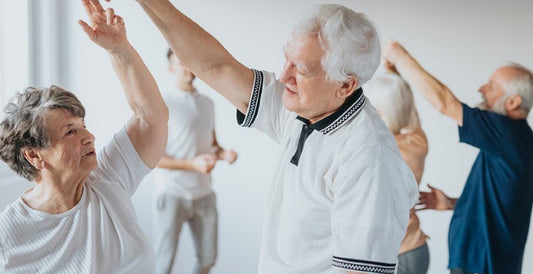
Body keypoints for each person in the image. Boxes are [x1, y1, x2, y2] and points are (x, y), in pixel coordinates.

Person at [107, 0, 419, 273]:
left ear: (345, 85)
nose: (284, 76)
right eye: (287, 59)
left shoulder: (369, 160)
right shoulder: (304, 107)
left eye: (302, 69)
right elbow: (215, 66)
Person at [0, 1, 168, 273]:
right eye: (70, 131)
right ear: (34, 155)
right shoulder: (8, 236)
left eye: (83, 125)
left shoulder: (108, 179)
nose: (89, 136)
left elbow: (152, 118)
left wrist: (119, 50)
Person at [383, 40, 533, 274]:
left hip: (481, 266)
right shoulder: (516, 141)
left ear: (514, 102)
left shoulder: (507, 134)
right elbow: (500, 203)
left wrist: (401, 57)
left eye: (492, 86)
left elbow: (445, 103)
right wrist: (453, 203)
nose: (481, 89)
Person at [153, 48, 237, 274]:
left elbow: (213, 144)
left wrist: (224, 154)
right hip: (173, 193)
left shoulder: (207, 103)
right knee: (163, 264)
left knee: (207, 260)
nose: (187, 67)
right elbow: (154, 158)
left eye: (189, 61)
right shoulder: (162, 103)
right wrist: (192, 165)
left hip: (204, 194)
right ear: (171, 68)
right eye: (180, 63)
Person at [365, 72, 430, 274]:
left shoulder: (377, 153)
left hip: (399, 255)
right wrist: (395, 76)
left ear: (380, 111)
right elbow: (407, 108)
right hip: (413, 249)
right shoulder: (417, 142)